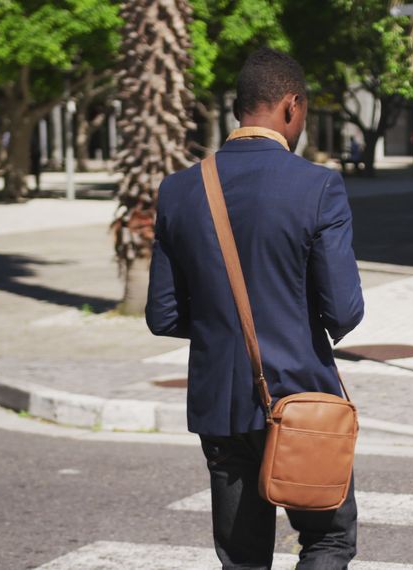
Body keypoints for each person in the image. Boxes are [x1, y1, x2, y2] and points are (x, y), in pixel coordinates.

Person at [146, 48, 364, 568]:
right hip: (302, 401)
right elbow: (343, 310)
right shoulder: (318, 186)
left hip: (220, 404)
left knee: (242, 559)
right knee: (328, 540)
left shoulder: (178, 190)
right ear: (292, 106)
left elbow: (164, 315)